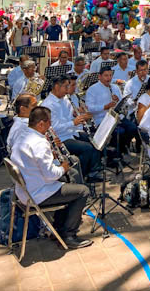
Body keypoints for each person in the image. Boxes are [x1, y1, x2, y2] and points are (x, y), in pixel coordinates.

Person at [11, 106, 92, 249]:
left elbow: (35, 162)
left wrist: (52, 158)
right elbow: (50, 175)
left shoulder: (23, 136)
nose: (50, 126)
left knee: (68, 182)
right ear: (41, 124)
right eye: (49, 123)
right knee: (83, 191)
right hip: (37, 193)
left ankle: (59, 227)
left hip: (24, 191)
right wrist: (63, 167)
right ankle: (69, 235)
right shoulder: (40, 143)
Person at [42, 76, 101, 181]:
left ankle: (93, 171)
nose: (67, 90)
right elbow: (53, 128)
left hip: (72, 132)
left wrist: (77, 114)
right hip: (61, 138)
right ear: (56, 87)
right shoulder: (48, 104)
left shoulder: (64, 99)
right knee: (87, 149)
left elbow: (69, 116)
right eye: (65, 87)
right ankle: (80, 177)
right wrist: (73, 122)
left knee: (96, 140)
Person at [85, 66, 137, 157]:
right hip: (102, 119)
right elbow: (89, 108)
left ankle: (122, 149)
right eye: (106, 76)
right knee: (119, 132)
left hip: (117, 117)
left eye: (110, 75)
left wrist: (118, 101)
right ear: (99, 76)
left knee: (132, 128)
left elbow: (123, 104)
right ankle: (114, 155)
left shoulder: (115, 87)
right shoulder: (92, 89)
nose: (109, 78)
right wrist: (105, 106)